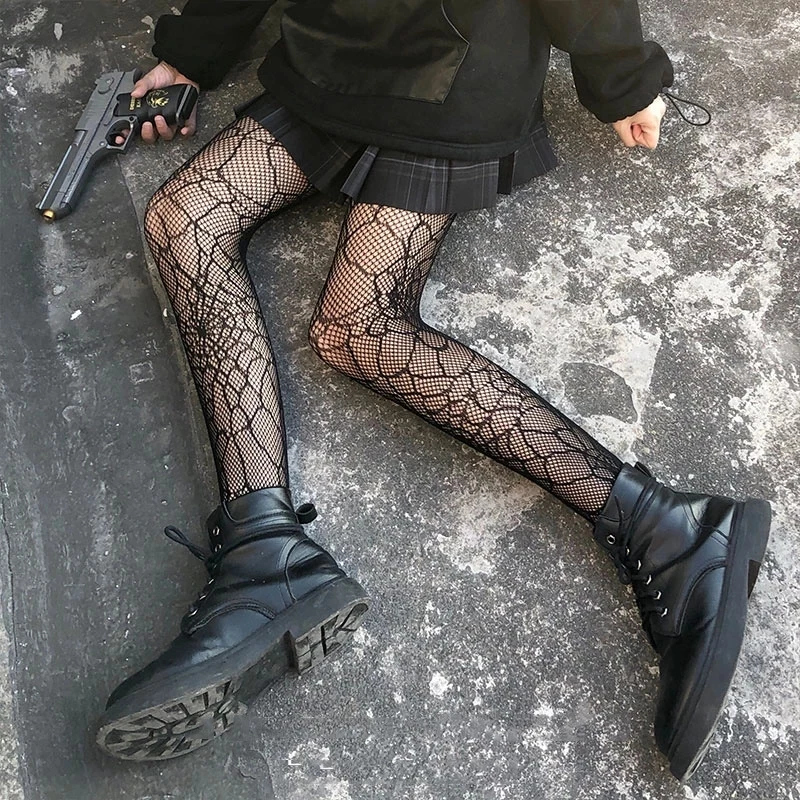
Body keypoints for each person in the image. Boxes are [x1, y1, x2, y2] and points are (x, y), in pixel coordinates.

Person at [94, 0, 771, 781]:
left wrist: (620, 75)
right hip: (334, 49)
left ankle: (669, 529)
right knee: (184, 221)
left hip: (455, 66)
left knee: (358, 330)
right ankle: (262, 553)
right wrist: (195, 49)